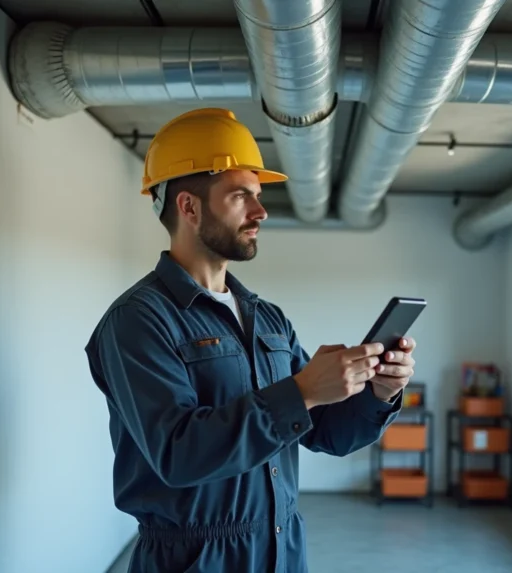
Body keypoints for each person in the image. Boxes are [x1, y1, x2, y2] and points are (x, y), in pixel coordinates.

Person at [84, 108, 417, 573]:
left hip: (281, 550)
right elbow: (177, 454)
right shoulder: (137, 322)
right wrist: (301, 390)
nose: (261, 211)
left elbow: (326, 432)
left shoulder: (267, 319)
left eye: (258, 196)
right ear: (189, 207)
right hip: (194, 559)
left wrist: (381, 391)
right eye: (241, 196)